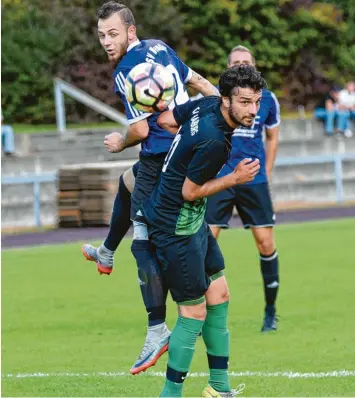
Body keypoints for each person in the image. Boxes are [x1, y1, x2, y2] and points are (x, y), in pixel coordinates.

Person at [81, 1, 220, 375]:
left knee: (143, 236)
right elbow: (197, 82)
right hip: (180, 153)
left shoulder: (128, 70)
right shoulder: (160, 48)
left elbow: (141, 131)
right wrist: (220, 112)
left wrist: (119, 142)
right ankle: (107, 251)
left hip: (161, 162)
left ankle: (157, 327)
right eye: (101, 36)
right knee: (127, 184)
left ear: (130, 30)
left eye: (112, 33)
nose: (107, 42)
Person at [142, 64, 264, 397]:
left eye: (256, 102)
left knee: (219, 293)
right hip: (174, 225)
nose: (253, 110)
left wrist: (182, 150)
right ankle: (170, 395)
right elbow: (190, 191)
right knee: (193, 310)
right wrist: (233, 179)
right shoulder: (214, 142)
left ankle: (218, 388)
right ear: (227, 100)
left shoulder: (207, 103)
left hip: (191, 221)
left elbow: (167, 121)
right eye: (244, 102)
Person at [205, 45, 281, 332]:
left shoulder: (268, 100)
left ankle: (270, 312)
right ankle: (201, 312)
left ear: (254, 66)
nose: (241, 67)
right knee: (205, 244)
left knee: (265, 243)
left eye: (245, 63)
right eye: (235, 63)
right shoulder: (216, 99)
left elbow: (272, 137)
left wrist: (267, 171)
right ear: (228, 68)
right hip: (221, 178)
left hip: (253, 180)